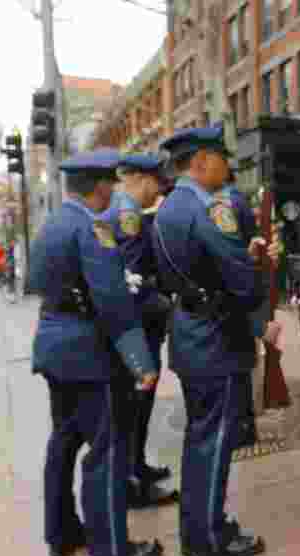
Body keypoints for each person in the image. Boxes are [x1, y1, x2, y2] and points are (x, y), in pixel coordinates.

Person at [28, 149, 164, 556]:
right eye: (112, 184)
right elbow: (113, 303)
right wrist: (141, 363)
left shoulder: (51, 225)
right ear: (102, 186)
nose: (114, 191)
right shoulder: (93, 230)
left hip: (53, 343)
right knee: (106, 450)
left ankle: (61, 533)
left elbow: (36, 284)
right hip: (89, 353)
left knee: (63, 442)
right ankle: (110, 550)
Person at [152, 124, 279, 556]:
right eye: (221, 158)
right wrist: (261, 313)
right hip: (217, 338)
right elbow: (237, 278)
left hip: (191, 331)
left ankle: (199, 527)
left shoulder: (169, 208)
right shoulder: (210, 210)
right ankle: (208, 535)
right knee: (215, 441)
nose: (228, 166)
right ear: (201, 161)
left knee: (201, 439)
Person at [100, 153, 180, 509]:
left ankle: (137, 467)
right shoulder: (129, 216)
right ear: (144, 181)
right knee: (135, 407)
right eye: (157, 186)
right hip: (137, 332)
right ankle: (133, 482)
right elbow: (131, 284)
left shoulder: (119, 210)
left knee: (138, 407)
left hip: (134, 331)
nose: (157, 193)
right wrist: (164, 304)